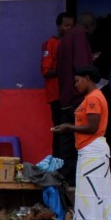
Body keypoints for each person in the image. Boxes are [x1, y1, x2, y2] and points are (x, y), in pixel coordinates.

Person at [52, 65, 111, 220]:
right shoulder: (92, 97)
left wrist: (68, 127)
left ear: (87, 78)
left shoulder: (94, 99)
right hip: (90, 151)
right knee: (97, 195)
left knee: (91, 196)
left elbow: (92, 127)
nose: (76, 85)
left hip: (93, 151)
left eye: (77, 80)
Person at [57, 17, 94, 185]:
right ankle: (81, 179)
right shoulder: (79, 36)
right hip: (76, 98)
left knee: (66, 144)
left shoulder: (63, 41)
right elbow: (82, 68)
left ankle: (69, 179)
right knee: (82, 139)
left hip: (64, 97)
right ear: (89, 27)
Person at [42, 12, 75, 159]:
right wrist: (66, 68)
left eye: (72, 26)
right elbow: (46, 70)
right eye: (66, 25)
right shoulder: (52, 43)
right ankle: (58, 163)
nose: (69, 28)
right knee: (59, 130)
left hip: (68, 94)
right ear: (59, 26)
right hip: (57, 95)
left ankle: (66, 164)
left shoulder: (70, 43)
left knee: (69, 131)